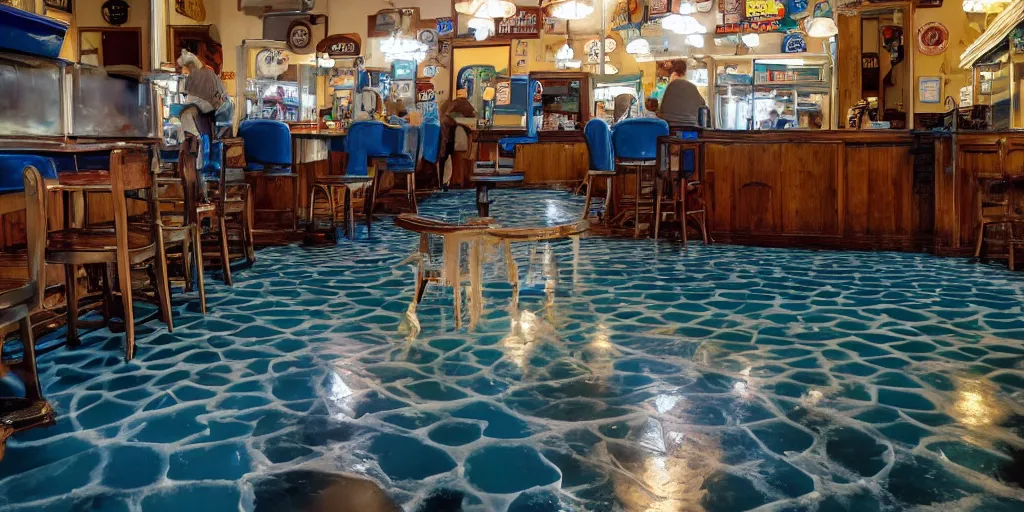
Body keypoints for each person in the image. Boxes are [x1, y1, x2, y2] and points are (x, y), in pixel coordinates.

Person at [437, 89, 476, 190]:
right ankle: (448, 182)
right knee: (447, 157)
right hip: (450, 135)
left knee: (443, 158)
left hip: (445, 134)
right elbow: (472, 115)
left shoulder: (452, 104)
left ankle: (441, 182)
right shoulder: (463, 103)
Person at [657, 60, 706, 128]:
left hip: (668, 127)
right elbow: (703, 104)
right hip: (689, 127)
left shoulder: (666, 86)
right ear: (685, 72)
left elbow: (660, 108)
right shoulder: (691, 87)